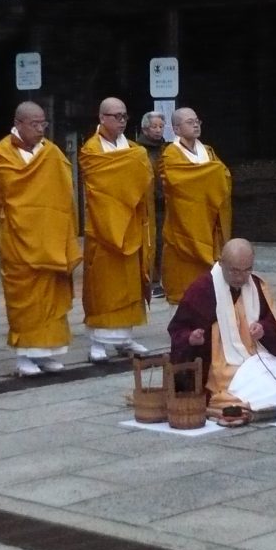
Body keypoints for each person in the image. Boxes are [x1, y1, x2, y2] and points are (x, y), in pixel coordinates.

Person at [0, 101, 82, 377]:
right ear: (18, 123)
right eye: (35, 124)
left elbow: (65, 192)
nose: (41, 129)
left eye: (43, 123)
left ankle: (48, 353)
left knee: (51, 297)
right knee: (25, 300)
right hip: (21, 238)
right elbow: (11, 193)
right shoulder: (3, 153)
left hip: (51, 239)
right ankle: (24, 357)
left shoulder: (51, 153)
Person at [167, 238, 276, 417]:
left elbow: (270, 323)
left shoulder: (256, 285)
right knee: (262, 384)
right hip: (222, 365)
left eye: (247, 270)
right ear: (221, 262)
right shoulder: (203, 289)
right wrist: (191, 338)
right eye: (234, 271)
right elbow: (178, 329)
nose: (241, 277)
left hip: (256, 356)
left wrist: (262, 329)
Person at [80, 98, 153, 363]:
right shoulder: (91, 151)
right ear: (102, 118)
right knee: (103, 285)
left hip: (130, 227)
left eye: (124, 116)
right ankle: (97, 342)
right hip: (103, 227)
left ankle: (125, 338)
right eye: (116, 116)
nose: (122, 120)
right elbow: (102, 187)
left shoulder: (134, 150)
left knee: (129, 284)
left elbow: (142, 180)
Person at [160, 106, 232, 304]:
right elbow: (179, 184)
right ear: (176, 129)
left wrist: (209, 177)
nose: (195, 125)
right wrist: (208, 176)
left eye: (197, 121)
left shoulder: (207, 151)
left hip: (208, 224)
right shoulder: (171, 154)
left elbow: (223, 176)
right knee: (184, 280)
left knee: (209, 284)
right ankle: (183, 329)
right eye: (189, 122)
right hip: (183, 226)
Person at [136, 111, 167, 298]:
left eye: (161, 126)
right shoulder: (138, 150)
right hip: (147, 204)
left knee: (163, 242)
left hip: (164, 204)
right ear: (145, 129)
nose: (157, 130)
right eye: (154, 127)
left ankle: (162, 278)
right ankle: (151, 280)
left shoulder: (167, 149)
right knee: (150, 242)